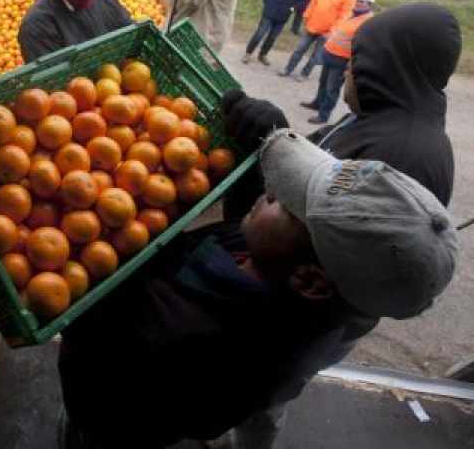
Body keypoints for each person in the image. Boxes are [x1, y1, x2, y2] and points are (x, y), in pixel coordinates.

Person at [59, 129, 458, 449]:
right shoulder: (303, 284)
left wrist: (95, 274)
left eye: (284, 203)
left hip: (112, 412)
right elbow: (267, 238)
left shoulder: (198, 344)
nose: (270, 192)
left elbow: (84, 333)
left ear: (309, 280)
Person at [222, 3, 460, 219]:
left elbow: (325, 233)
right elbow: (317, 157)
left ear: (385, 69)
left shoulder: (407, 156)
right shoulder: (371, 119)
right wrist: (272, 136)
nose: (347, 68)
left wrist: (281, 147)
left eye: (357, 58)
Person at [301, 0, 376, 124]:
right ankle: (317, 103)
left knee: (332, 89)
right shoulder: (351, 13)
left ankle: (323, 115)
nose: (359, 3)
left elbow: (362, 47)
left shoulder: (367, 22)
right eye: (358, 0)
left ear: (369, 5)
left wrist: (350, 65)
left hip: (342, 60)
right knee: (323, 83)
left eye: (362, 2)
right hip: (330, 54)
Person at [280, 0, 354, 80]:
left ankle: (304, 74)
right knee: (299, 49)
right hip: (312, 25)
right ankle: (288, 69)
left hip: (326, 33)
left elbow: (343, 18)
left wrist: (331, 32)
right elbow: (314, 1)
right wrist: (306, 15)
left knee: (316, 56)